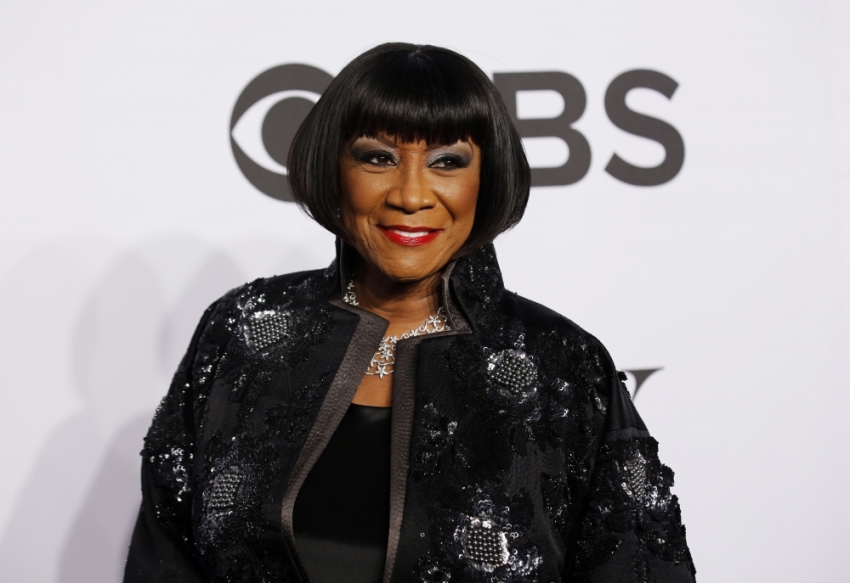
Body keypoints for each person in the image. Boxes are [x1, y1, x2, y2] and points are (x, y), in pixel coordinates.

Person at [124, 43, 696, 583]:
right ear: (335, 169)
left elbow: (638, 566)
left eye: (448, 161)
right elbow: (166, 554)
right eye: (378, 158)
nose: (411, 194)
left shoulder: (561, 363)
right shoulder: (246, 328)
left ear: (487, 180)